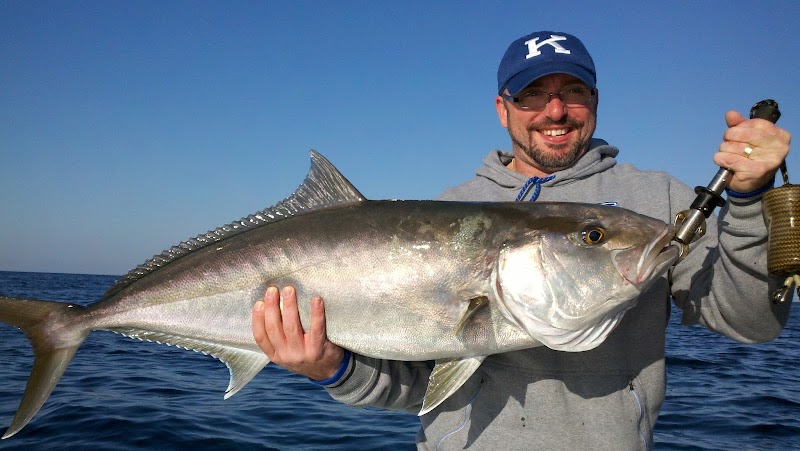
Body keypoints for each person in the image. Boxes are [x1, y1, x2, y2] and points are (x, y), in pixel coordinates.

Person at [250, 31, 793, 449]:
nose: (554, 111)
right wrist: (333, 369)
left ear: (594, 100)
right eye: (533, 95)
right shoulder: (455, 202)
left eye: (571, 92)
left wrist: (748, 202)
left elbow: (752, 323)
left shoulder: (655, 202)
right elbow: (419, 383)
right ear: (502, 108)